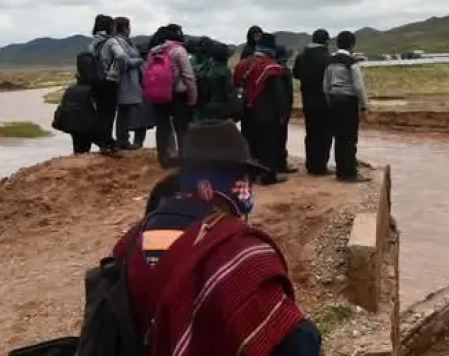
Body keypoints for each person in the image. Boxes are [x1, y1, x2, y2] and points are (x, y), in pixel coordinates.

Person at [109, 119, 323, 355]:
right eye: (244, 177)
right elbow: (291, 341)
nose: (249, 186)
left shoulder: (132, 239)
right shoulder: (240, 253)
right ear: (209, 186)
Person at [233, 33, 290, 185]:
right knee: (267, 145)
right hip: (266, 112)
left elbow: (236, 85)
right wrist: (282, 114)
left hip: (246, 111)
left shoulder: (242, 64)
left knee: (250, 142)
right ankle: (267, 176)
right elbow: (278, 95)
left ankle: (250, 175)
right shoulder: (271, 67)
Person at [145, 24, 197, 168]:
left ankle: (164, 160)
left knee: (162, 127)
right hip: (178, 95)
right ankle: (185, 160)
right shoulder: (179, 51)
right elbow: (188, 75)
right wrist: (192, 96)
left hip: (159, 95)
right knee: (182, 128)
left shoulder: (153, 52)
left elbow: (147, 74)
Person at [323, 30, 370, 182]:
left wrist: (329, 100)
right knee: (350, 137)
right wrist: (364, 106)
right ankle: (349, 173)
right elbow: (358, 86)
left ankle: (340, 171)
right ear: (352, 45)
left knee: (339, 136)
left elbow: (326, 85)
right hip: (348, 101)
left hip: (334, 100)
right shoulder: (351, 63)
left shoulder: (330, 62)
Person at [89, 14, 139, 153]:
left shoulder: (94, 41)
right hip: (109, 81)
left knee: (101, 113)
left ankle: (102, 143)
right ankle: (108, 143)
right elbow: (121, 56)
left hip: (96, 81)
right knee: (110, 113)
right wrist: (114, 71)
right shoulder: (111, 41)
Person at [113, 16, 147, 150]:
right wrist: (138, 61)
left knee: (124, 111)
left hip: (129, 81)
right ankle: (122, 140)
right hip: (124, 81)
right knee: (123, 111)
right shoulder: (119, 42)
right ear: (125, 28)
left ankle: (123, 139)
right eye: (128, 27)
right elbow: (123, 61)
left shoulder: (127, 42)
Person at [275, 44, 298, 175]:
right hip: (283, 109)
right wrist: (284, 112)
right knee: (281, 137)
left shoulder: (272, 69)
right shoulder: (284, 71)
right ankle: (281, 164)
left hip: (274, 109)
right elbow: (286, 94)